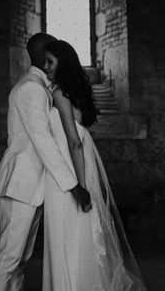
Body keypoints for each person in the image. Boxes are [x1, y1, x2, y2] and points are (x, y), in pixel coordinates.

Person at [0, 33, 92, 291]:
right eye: (50, 52)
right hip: (21, 183)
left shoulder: (42, 86)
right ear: (42, 53)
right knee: (8, 256)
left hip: (33, 186)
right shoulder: (31, 88)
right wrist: (73, 185)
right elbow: (43, 141)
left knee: (20, 258)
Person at [41, 39, 147, 291]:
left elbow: (74, 142)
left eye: (50, 62)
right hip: (79, 165)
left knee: (69, 232)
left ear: (62, 64)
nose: (45, 67)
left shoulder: (59, 94)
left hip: (70, 169)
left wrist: (80, 185)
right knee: (80, 231)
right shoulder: (75, 92)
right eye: (44, 61)